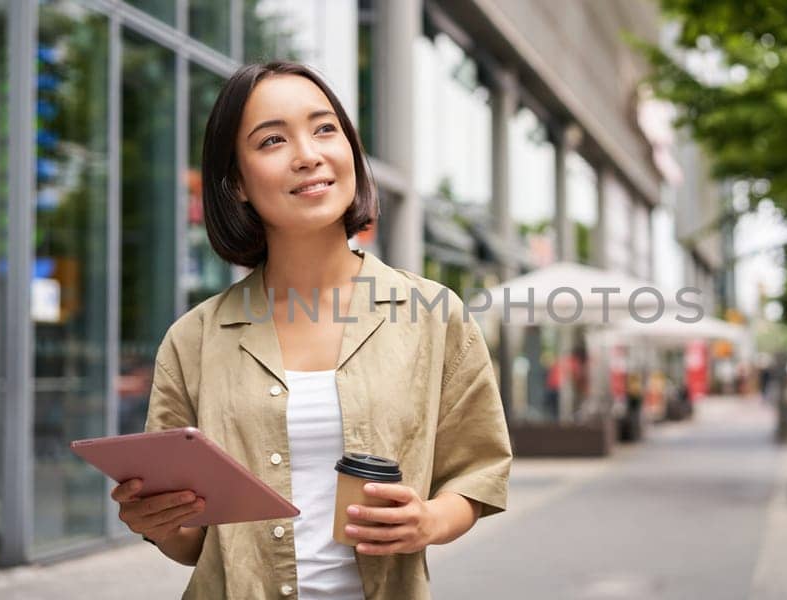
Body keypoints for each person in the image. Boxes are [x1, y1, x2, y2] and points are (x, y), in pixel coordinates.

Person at [108, 62, 511, 599]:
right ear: (238, 184)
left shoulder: (432, 314)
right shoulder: (194, 338)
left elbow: (477, 470)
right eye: (272, 140)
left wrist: (429, 521)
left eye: (325, 129)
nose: (308, 154)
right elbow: (192, 542)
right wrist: (160, 523)